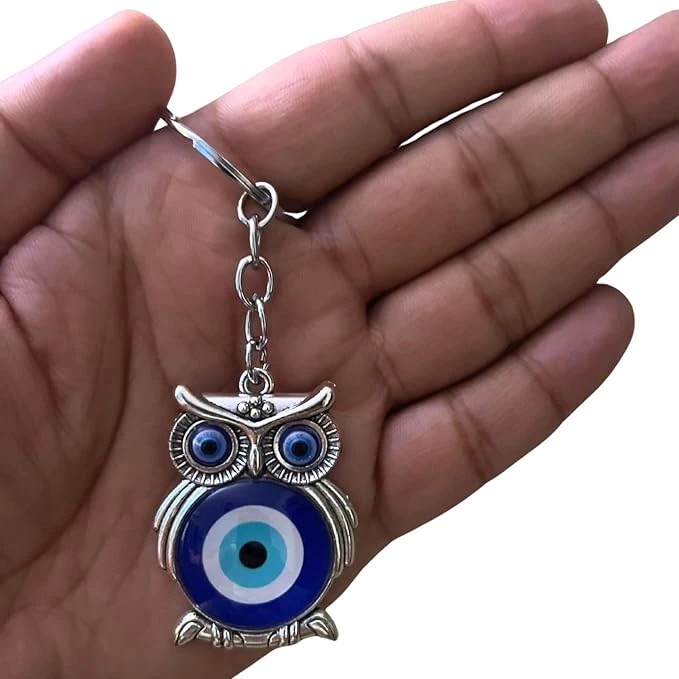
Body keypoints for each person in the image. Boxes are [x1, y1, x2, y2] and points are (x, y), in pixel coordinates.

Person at [0, 1, 677, 676]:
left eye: (297, 447)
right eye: (213, 446)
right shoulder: (189, 513)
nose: (256, 460)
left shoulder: (310, 508)